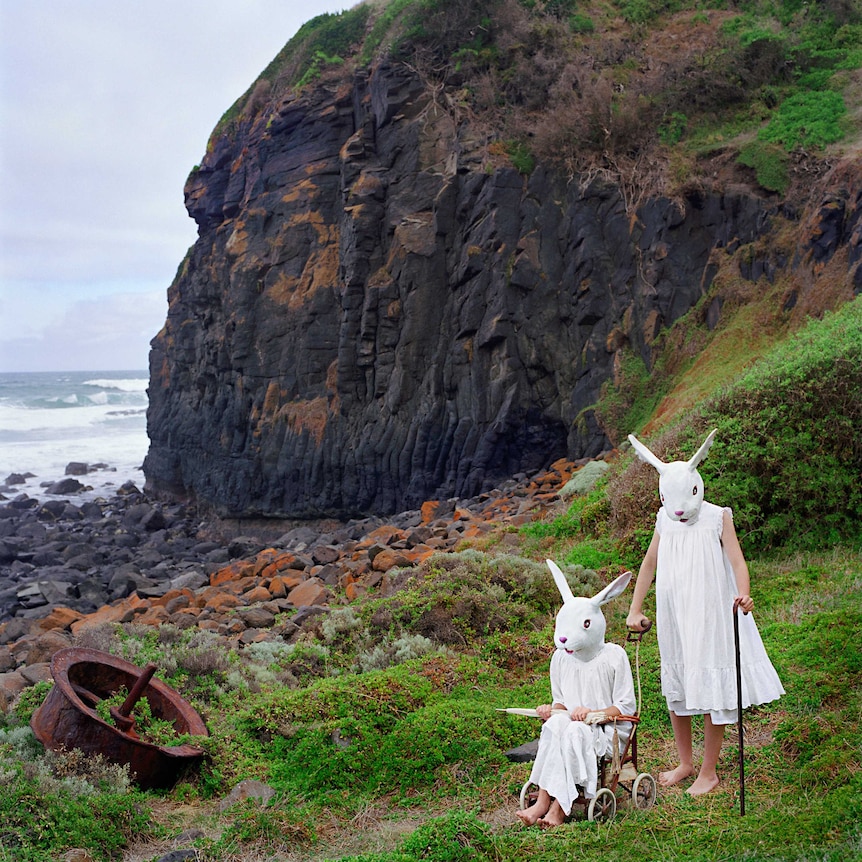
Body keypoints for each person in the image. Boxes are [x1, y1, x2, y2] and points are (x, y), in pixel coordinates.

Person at [626, 430, 784, 796]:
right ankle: (685, 762)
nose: (679, 510)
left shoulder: (717, 517)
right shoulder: (664, 521)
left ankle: (708, 771)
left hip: (710, 612)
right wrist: (636, 606)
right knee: (677, 685)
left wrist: (743, 594)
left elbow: (737, 562)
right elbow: (649, 564)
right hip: (674, 613)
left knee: (713, 685)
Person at [517, 565, 636, 827]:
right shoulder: (560, 658)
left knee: (574, 732)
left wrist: (593, 715)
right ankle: (543, 801)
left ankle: (559, 808)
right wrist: (552, 709)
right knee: (555, 726)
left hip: (607, 731)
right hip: (572, 724)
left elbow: (625, 706)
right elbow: (561, 701)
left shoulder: (614, 656)